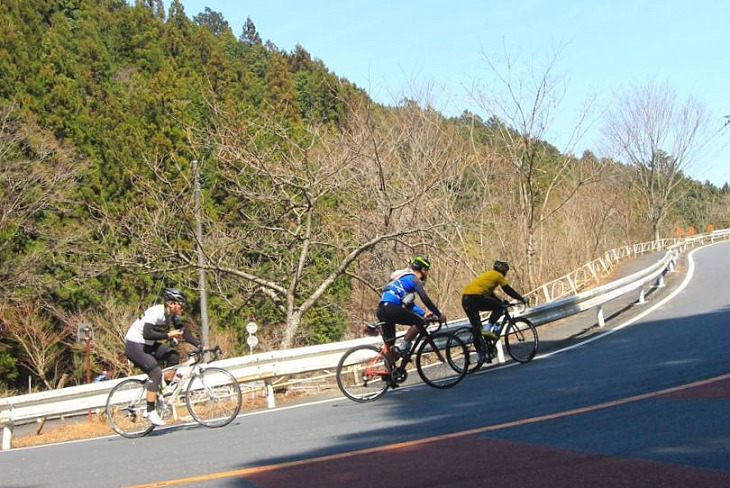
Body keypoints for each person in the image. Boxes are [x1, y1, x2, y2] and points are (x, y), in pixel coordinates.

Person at [124, 287, 201, 426]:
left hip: (147, 344)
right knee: (155, 372)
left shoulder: (173, 315)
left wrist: (200, 346)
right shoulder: (156, 312)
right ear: (171, 304)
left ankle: (162, 390)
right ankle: (150, 410)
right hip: (134, 344)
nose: (182, 308)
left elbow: (183, 331)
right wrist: (168, 335)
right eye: (181, 304)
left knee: (173, 355)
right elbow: (147, 334)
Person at [376, 256, 447, 359]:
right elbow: (425, 299)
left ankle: (389, 373)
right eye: (426, 270)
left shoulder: (402, 280)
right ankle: (403, 348)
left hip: (382, 309)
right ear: (422, 270)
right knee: (419, 323)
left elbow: (409, 304)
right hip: (391, 308)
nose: (427, 273)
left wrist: (423, 313)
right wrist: (439, 314)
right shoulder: (414, 279)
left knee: (390, 347)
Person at [461, 260, 526, 361]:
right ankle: (488, 329)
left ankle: (481, 354)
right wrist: (520, 298)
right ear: (503, 271)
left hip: (466, 299)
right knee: (499, 308)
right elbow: (507, 289)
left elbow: (491, 295)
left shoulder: (488, 275)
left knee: (477, 328)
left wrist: (500, 301)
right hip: (475, 297)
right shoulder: (498, 276)